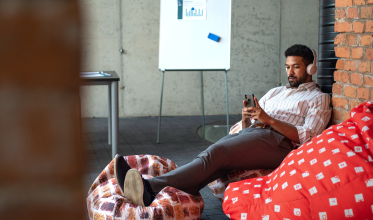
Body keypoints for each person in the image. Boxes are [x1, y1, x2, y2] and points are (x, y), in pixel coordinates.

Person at [114, 44, 332, 207]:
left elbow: (309, 136)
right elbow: (248, 127)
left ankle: (149, 186)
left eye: (296, 67)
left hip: (279, 143)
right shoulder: (276, 91)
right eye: (287, 67)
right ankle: (162, 195)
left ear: (310, 68)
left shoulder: (317, 98)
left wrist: (269, 120)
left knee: (216, 152)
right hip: (256, 134)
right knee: (215, 164)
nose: (290, 72)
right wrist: (247, 118)